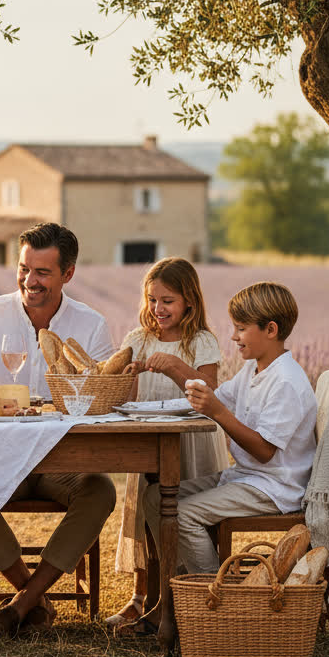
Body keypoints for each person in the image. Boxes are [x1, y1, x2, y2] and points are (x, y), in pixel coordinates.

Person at [0, 222, 117, 638]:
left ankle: (20, 605)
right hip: (0, 456)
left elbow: (106, 394)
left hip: (65, 461)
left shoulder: (90, 325)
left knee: (101, 490)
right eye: (23, 269)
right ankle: (32, 597)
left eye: (42, 272)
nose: (29, 281)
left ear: (67, 274)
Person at [136, 281, 318, 635]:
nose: (233, 337)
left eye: (240, 329)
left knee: (183, 513)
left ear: (270, 330)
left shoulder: (286, 382)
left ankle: (220, 605)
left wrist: (218, 413)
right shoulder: (256, 368)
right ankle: (178, 596)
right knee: (154, 497)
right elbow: (217, 394)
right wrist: (177, 372)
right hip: (248, 477)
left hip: (274, 486)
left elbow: (265, 450)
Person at [108, 258, 228, 632]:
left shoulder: (201, 342)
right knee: (149, 519)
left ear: (189, 302)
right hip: (149, 444)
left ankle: (188, 598)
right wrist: (126, 377)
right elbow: (124, 398)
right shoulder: (137, 339)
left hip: (194, 448)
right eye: (152, 299)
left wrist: (173, 365)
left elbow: (209, 393)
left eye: (168, 301)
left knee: (179, 515)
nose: (157, 309)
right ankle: (152, 598)